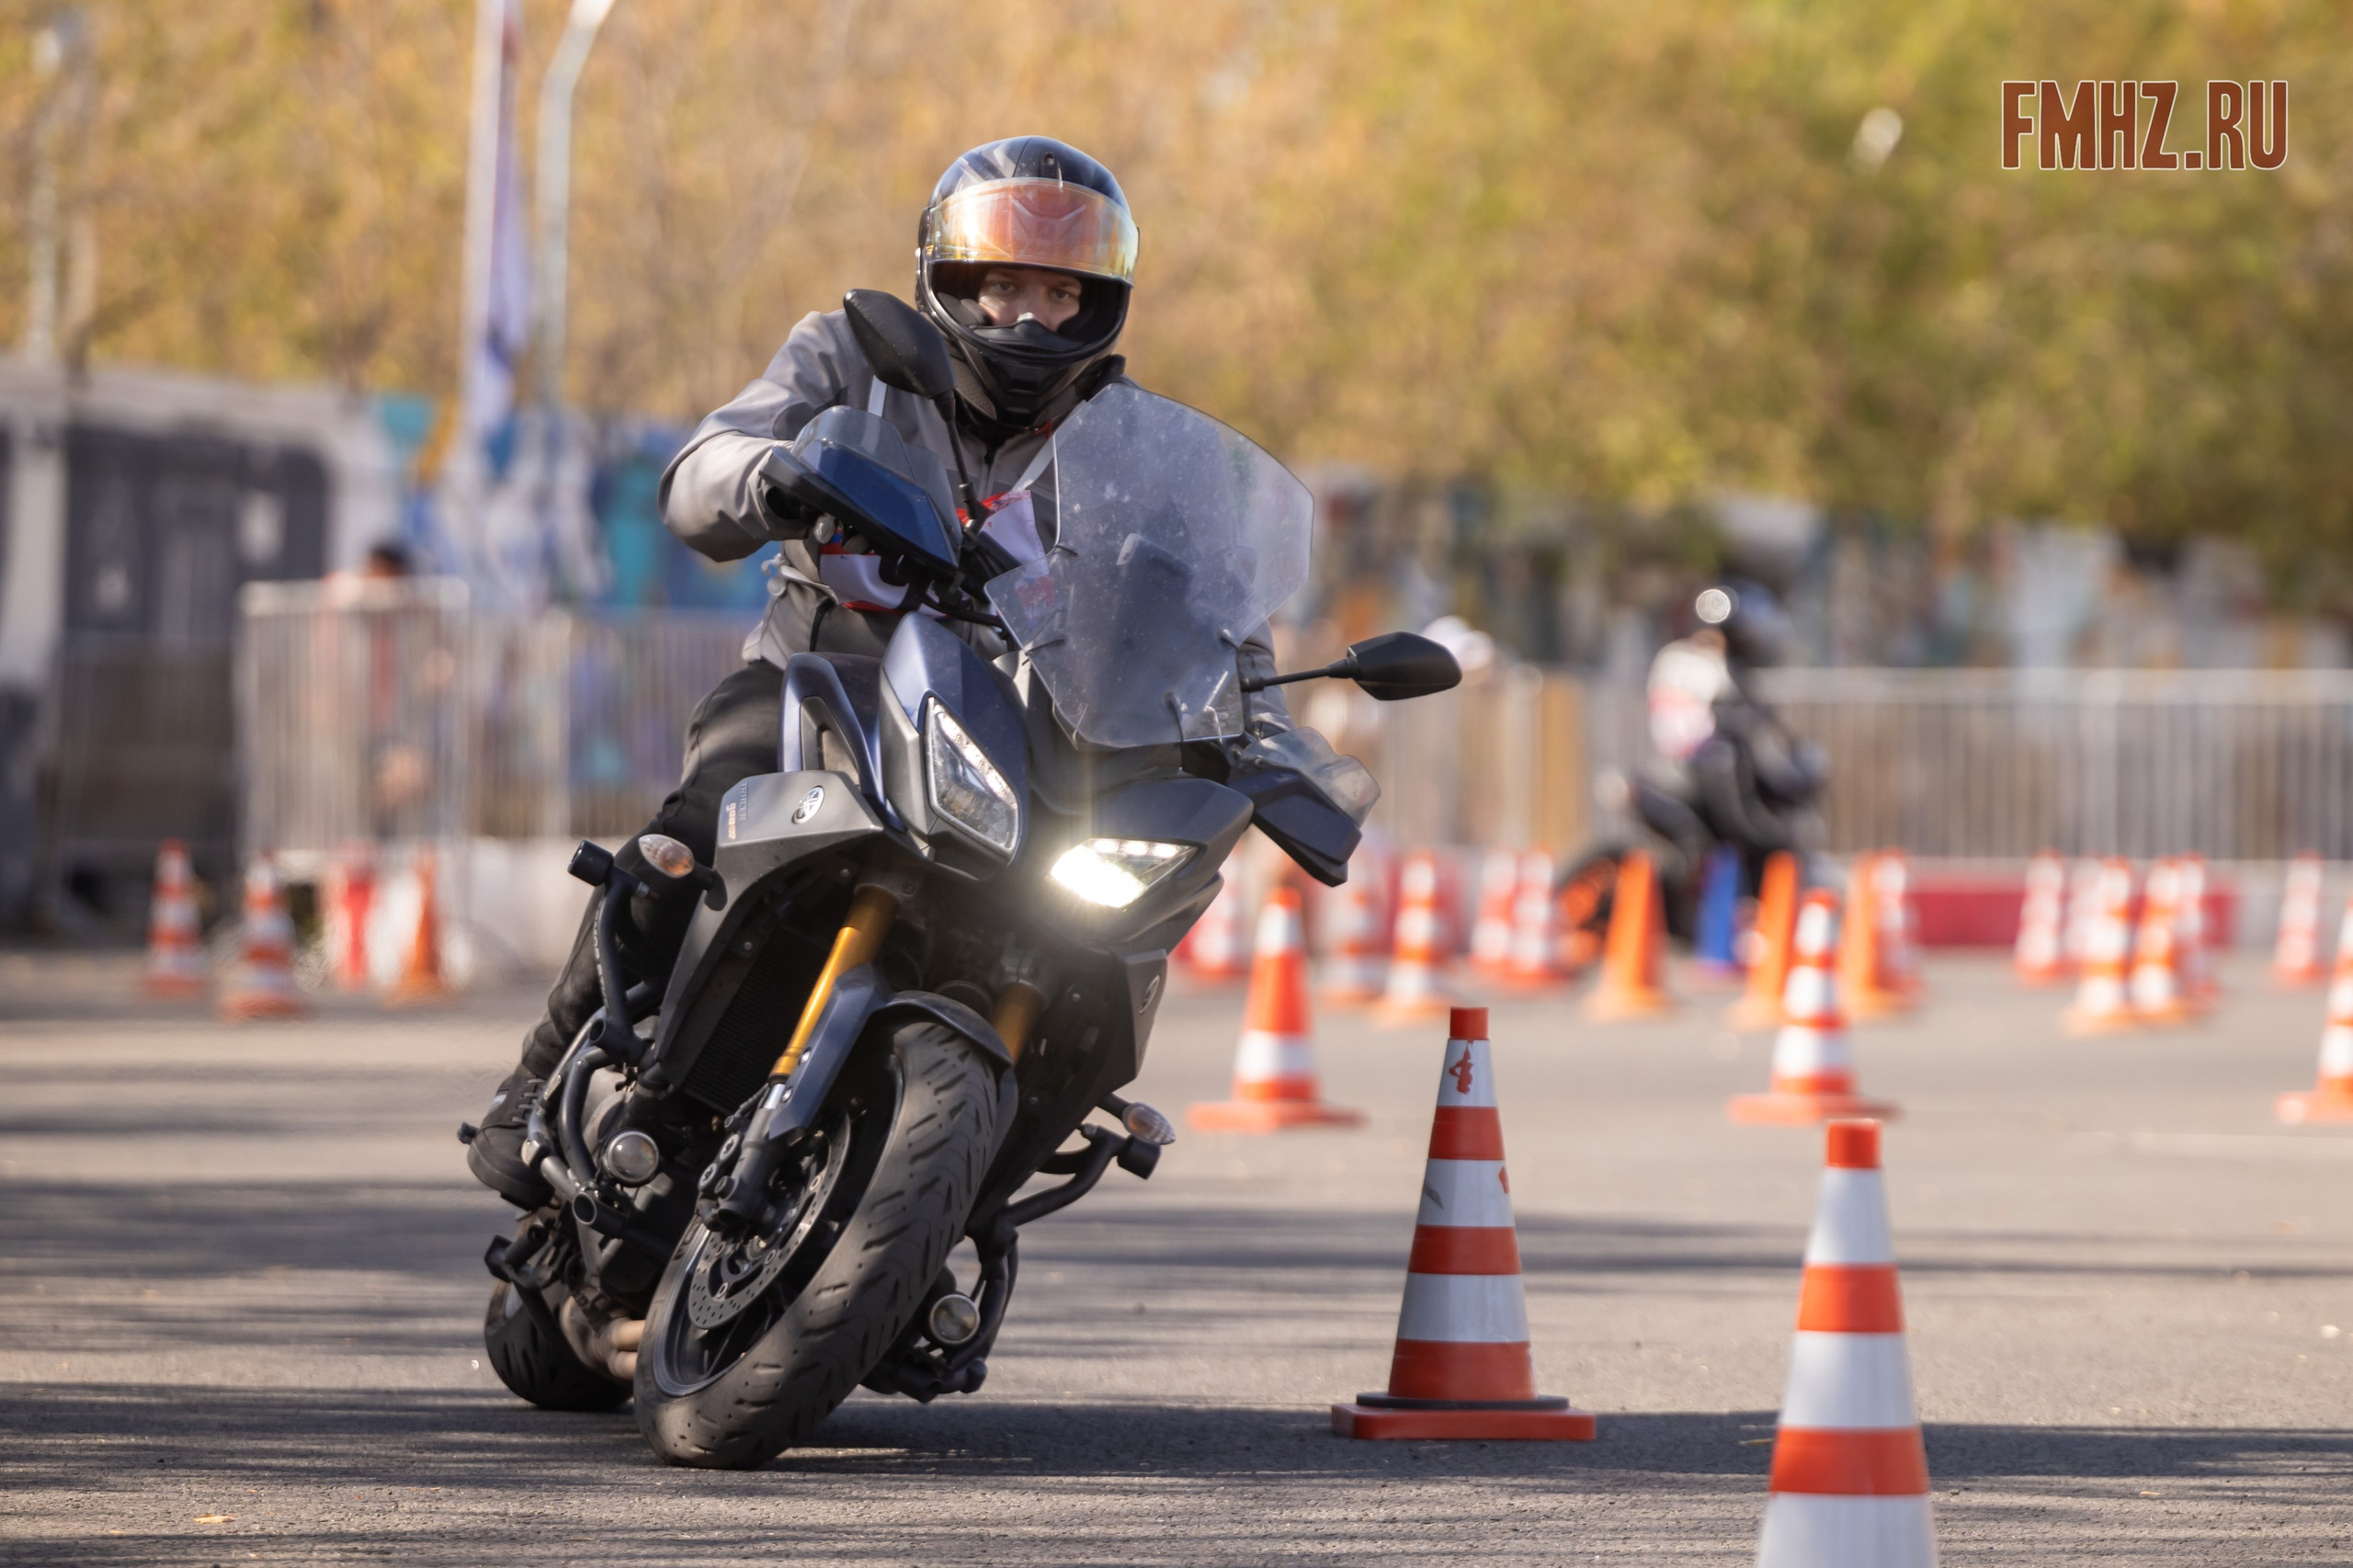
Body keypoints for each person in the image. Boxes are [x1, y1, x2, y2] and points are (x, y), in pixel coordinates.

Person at [468, 136, 1292, 1206]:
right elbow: (699, 472)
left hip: (1021, 733)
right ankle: (536, 1079)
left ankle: (966, 1188)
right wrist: (775, 473)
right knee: (687, 834)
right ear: (945, 277)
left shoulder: (1129, 448)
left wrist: (1261, 714)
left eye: (1055, 289)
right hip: (827, 681)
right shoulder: (845, 354)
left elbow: (1224, 603)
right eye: (998, 285)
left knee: (1101, 934)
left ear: (1098, 300)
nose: (1026, 315)